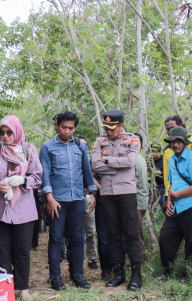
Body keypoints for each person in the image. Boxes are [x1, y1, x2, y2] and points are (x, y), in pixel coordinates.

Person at [0, 116, 43, 298]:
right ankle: (5, 287)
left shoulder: (29, 150)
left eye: (9, 132)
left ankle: (23, 288)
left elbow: (37, 177)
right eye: (2, 132)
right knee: (1, 250)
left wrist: (23, 180)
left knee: (22, 250)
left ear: (17, 132)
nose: (5, 136)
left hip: (23, 208)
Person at [39, 112, 95, 290]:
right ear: (57, 126)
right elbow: (45, 174)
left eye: (71, 128)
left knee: (78, 238)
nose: (67, 131)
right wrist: (49, 198)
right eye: (64, 127)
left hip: (77, 199)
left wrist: (92, 193)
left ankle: (77, 275)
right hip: (57, 201)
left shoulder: (80, 147)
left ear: (75, 128)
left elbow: (87, 171)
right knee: (55, 238)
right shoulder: (47, 147)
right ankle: (55, 277)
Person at [91, 109, 144, 290]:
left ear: (122, 126)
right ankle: (118, 273)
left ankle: (136, 275)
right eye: (106, 127)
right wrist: (117, 164)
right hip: (107, 194)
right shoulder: (99, 141)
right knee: (112, 235)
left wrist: (106, 161)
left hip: (127, 193)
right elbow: (94, 164)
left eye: (112, 128)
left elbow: (130, 162)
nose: (108, 131)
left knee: (131, 234)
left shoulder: (133, 140)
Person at [158, 126, 192, 281]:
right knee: (165, 237)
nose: (176, 144)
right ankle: (168, 272)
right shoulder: (171, 159)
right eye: (173, 141)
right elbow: (172, 183)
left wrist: (177, 195)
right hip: (176, 207)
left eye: (179, 141)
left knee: (191, 244)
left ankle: (188, 275)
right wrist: (170, 200)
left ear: (184, 142)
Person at [162, 115, 192, 202]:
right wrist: (167, 195)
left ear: (181, 126)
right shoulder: (167, 150)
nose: (170, 131)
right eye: (168, 129)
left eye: (173, 127)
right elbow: (167, 175)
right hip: (174, 193)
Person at [77, 136, 100, 270]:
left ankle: (92, 259)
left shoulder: (91, 162)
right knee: (75, 231)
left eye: (85, 146)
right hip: (73, 199)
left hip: (87, 198)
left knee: (91, 230)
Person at [136, 133, 149, 258]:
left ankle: (140, 260)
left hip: (137, 200)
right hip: (141, 199)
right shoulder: (140, 158)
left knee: (136, 233)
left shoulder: (135, 160)